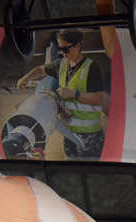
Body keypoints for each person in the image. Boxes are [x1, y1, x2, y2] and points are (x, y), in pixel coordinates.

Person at [18, 30, 109, 160]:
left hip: (90, 137)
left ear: (78, 45)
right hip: (69, 135)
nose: (62, 53)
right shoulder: (61, 65)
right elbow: (41, 70)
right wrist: (26, 77)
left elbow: (100, 99)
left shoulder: (91, 68)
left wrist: (74, 94)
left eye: (66, 49)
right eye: (60, 49)